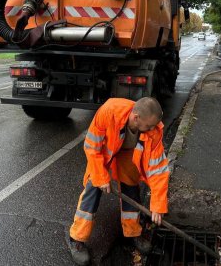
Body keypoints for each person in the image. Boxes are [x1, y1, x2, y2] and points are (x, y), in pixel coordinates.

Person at [68, 97, 170, 266]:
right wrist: (101, 177)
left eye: (153, 126)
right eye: (149, 126)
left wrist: (158, 205)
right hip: (103, 152)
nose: (152, 129)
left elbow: (158, 170)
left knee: (131, 184)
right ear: (136, 117)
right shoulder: (109, 112)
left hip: (128, 152)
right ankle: (77, 239)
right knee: (93, 188)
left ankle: (132, 232)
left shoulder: (154, 130)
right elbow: (92, 147)